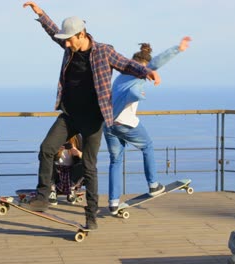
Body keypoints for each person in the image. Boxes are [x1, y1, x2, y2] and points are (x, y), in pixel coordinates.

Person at [22, 1, 161, 230]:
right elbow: (53, 33)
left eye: (69, 39)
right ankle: (42, 197)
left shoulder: (104, 51)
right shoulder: (69, 46)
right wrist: (39, 13)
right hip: (69, 115)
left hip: (93, 119)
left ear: (81, 34)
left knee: (89, 166)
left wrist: (146, 71)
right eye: (65, 40)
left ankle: (91, 217)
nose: (66, 43)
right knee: (47, 148)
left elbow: (126, 64)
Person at [104, 37, 191, 215]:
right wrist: (178, 49)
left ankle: (113, 203)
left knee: (116, 161)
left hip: (107, 124)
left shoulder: (121, 77)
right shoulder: (139, 73)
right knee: (148, 146)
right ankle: (153, 185)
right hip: (124, 122)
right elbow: (157, 63)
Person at [49, 134, 84, 205]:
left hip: (71, 170)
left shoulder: (77, 138)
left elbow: (87, 157)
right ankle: (52, 190)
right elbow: (45, 156)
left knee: (84, 164)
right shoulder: (54, 136)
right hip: (57, 170)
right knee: (48, 163)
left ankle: (72, 189)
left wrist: (78, 153)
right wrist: (57, 152)